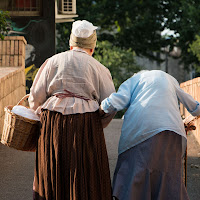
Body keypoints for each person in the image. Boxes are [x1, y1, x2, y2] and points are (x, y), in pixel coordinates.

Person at [28, 20, 116, 200]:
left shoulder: (52, 61)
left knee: (53, 169)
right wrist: (98, 124)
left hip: (52, 122)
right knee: (85, 172)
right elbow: (110, 103)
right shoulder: (99, 67)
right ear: (92, 46)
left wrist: (40, 116)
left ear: (71, 44)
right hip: (86, 124)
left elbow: (35, 97)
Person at [100, 70, 200, 200]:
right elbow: (194, 106)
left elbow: (117, 101)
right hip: (172, 131)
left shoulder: (133, 80)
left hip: (141, 131)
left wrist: (101, 108)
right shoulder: (170, 78)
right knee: (167, 176)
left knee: (136, 172)